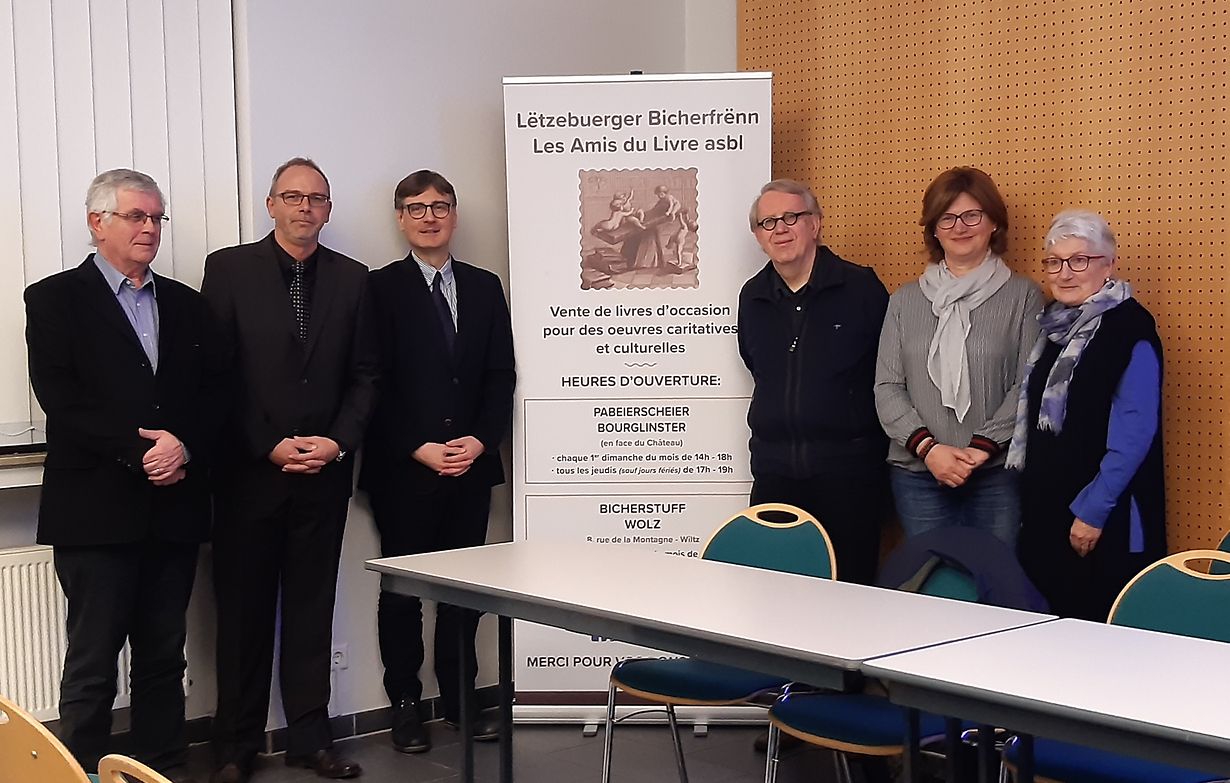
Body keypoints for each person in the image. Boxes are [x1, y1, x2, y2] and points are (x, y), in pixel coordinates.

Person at [24, 168, 226, 782]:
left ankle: (159, 769)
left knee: (163, 656)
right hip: (95, 511)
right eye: (137, 216)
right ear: (98, 222)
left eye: (157, 217)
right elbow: (61, 398)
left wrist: (182, 447)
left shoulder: (188, 305)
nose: (150, 228)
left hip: (174, 508)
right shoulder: (54, 299)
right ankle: (80, 773)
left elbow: (215, 396)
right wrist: (139, 454)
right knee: (93, 662)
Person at [202, 158, 378, 783]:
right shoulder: (228, 270)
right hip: (250, 475)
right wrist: (266, 444)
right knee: (242, 617)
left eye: (317, 198)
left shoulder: (353, 278)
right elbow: (217, 374)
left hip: (323, 475)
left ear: (328, 210)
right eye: (293, 196)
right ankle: (235, 747)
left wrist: (337, 442)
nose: (305, 207)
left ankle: (310, 739)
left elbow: (366, 375)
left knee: (312, 611)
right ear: (271, 204)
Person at [358, 170, 515, 754]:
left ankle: (460, 699)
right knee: (402, 594)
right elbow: (370, 381)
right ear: (400, 218)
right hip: (405, 470)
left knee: (463, 594)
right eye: (417, 208)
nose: (430, 217)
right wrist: (415, 446)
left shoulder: (484, 286)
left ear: (454, 214)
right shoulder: (378, 288)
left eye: (441, 206)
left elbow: (500, 374)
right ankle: (405, 705)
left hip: (470, 466)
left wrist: (481, 440)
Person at [1007, 210, 1165, 620]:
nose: (1064, 273)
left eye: (1079, 260)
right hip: (1047, 515)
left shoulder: (1130, 328)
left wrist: (1092, 513)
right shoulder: (1054, 326)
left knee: (1096, 632)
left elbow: (1135, 433)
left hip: (1101, 517)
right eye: (1054, 262)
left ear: (1108, 265)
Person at [874, 166, 1043, 548]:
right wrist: (930, 450)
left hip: (996, 474)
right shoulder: (903, 301)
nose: (960, 227)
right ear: (933, 229)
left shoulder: (1023, 296)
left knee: (994, 578)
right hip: (918, 473)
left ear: (994, 222)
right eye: (947, 218)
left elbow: (1028, 385)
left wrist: (980, 449)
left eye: (972, 215)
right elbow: (887, 387)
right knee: (931, 576)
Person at [737, 179, 890, 586]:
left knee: (851, 595)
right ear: (758, 236)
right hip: (774, 474)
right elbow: (757, 366)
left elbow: (886, 373)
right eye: (768, 222)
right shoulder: (752, 298)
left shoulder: (861, 288)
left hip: (848, 478)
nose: (780, 229)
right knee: (774, 593)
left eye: (791, 217)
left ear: (815, 224)